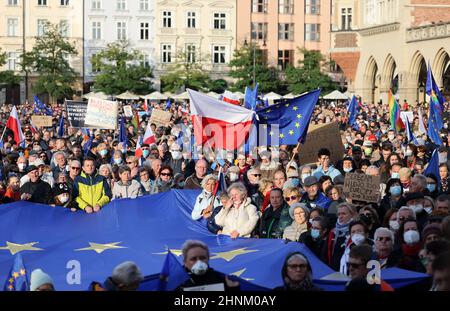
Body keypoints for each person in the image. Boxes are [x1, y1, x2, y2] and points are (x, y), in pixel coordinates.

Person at [323, 202, 358, 271]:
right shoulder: (333, 232)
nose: (340, 216)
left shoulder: (357, 231)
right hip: (333, 271)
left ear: (352, 215)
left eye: (343, 214)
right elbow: (325, 255)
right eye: (339, 214)